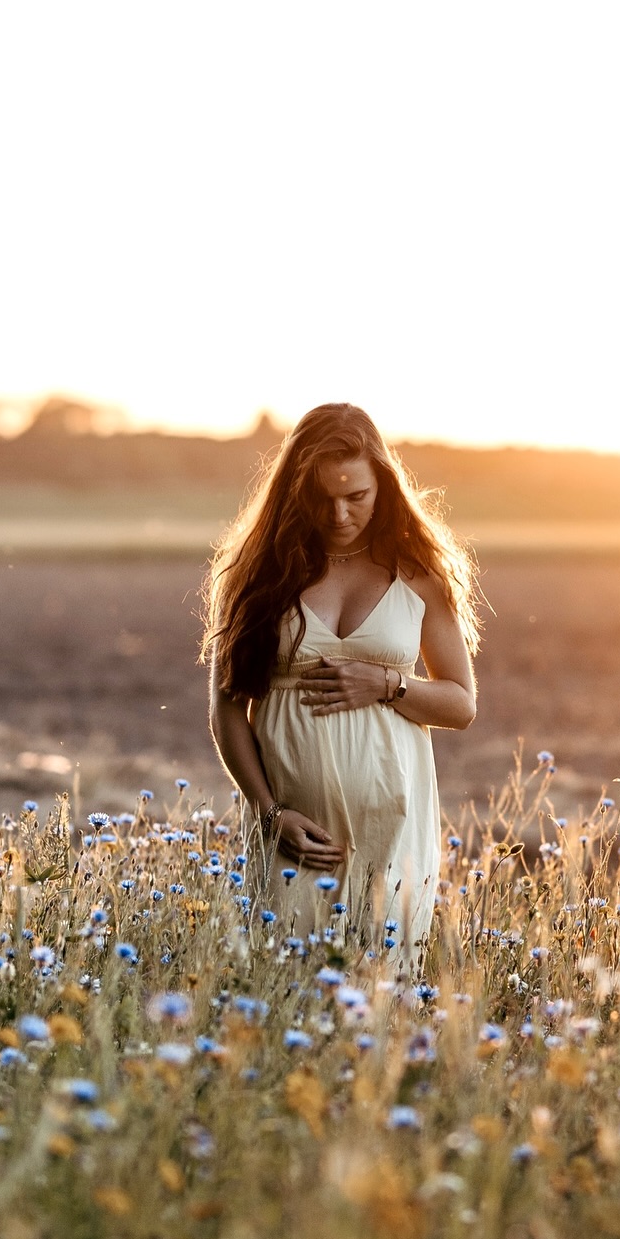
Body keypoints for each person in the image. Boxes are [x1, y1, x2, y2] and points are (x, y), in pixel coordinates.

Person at [204, 403, 478, 963]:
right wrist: (269, 813)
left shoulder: (418, 574)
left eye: (357, 496)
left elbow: (460, 705)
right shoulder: (260, 575)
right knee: (284, 996)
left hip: (394, 827)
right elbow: (227, 707)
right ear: (295, 490)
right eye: (322, 497)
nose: (339, 513)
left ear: (384, 485)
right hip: (294, 833)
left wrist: (386, 685)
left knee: (382, 1001)